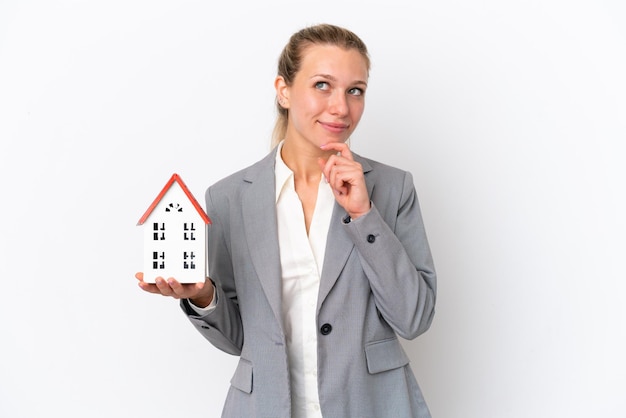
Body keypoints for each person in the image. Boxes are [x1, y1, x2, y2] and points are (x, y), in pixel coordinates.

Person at [136, 23, 436, 418]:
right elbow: (241, 339)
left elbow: (413, 318)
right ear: (284, 90)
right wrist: (203, 296)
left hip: (372, 405)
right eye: (322, 85)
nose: (341, 107)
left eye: (355, 90)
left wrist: (364, 216)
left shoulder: (393, 188)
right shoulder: (228, 198)